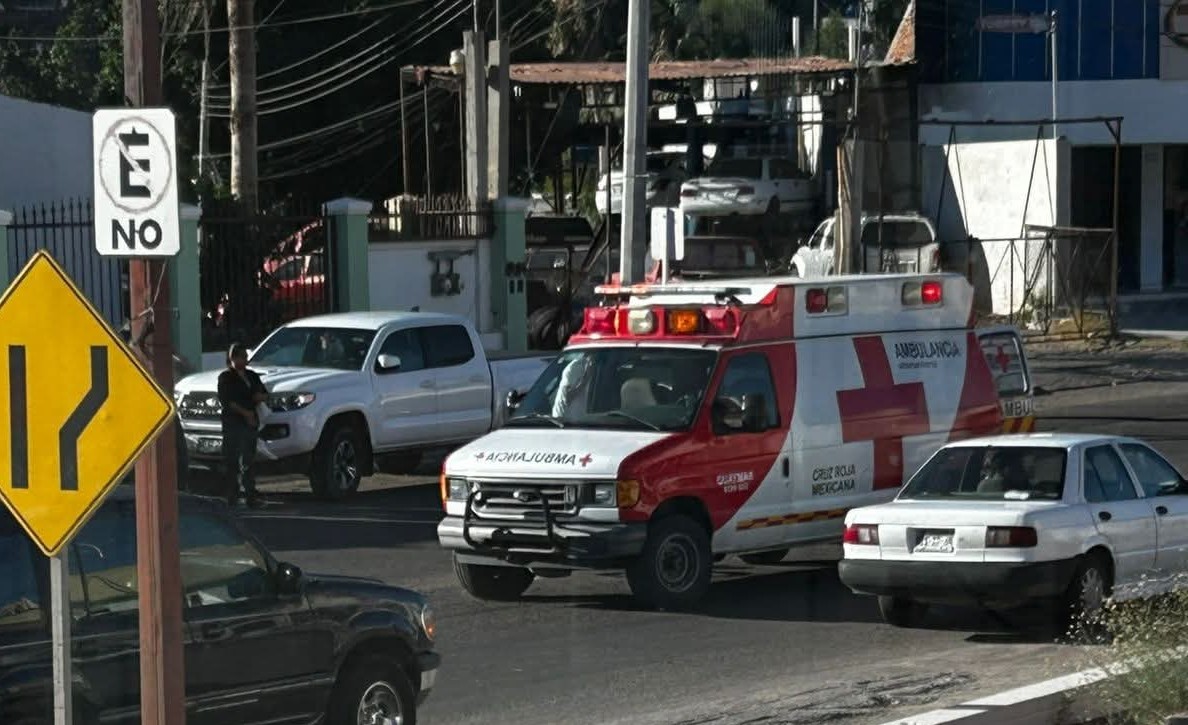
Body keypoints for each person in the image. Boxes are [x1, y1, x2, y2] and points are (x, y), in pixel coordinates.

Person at [218, 343, 269, 508]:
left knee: (248, 460)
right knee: (232, 459)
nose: (243, 361)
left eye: (244, 357)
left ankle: (250, 495)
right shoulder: (226, 378)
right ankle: (232, 495)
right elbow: (227, 401)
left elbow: (263, 393)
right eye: (239, 357)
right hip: (234, 421)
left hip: (251, 421)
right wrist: (245, 413)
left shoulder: (251, 376)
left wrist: (258, 397)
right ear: (232, 358)